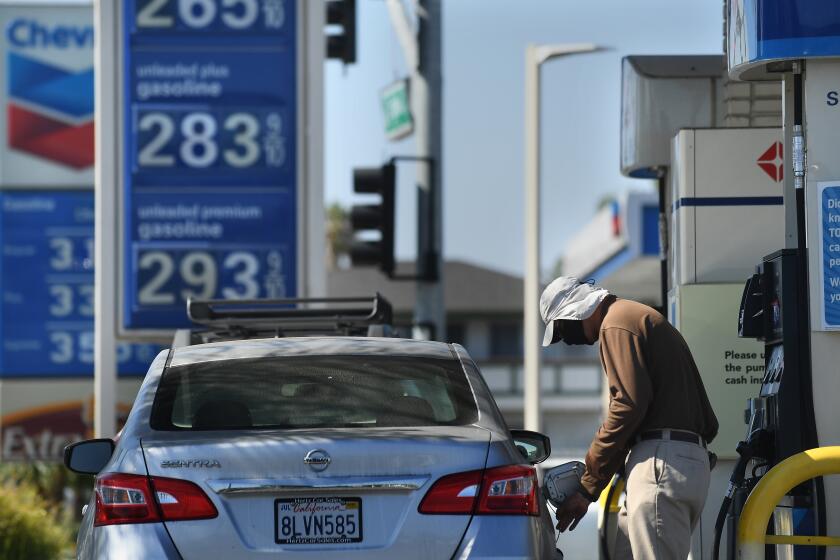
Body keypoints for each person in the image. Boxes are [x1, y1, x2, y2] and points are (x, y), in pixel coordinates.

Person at [540, 276, 718, 560]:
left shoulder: (616, 324)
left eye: (561, 330)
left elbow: (628, 406)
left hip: (660, 464)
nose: (566, 340)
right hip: (686, 460)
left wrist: (588, 484)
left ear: (574, 311)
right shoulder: (635, 315)